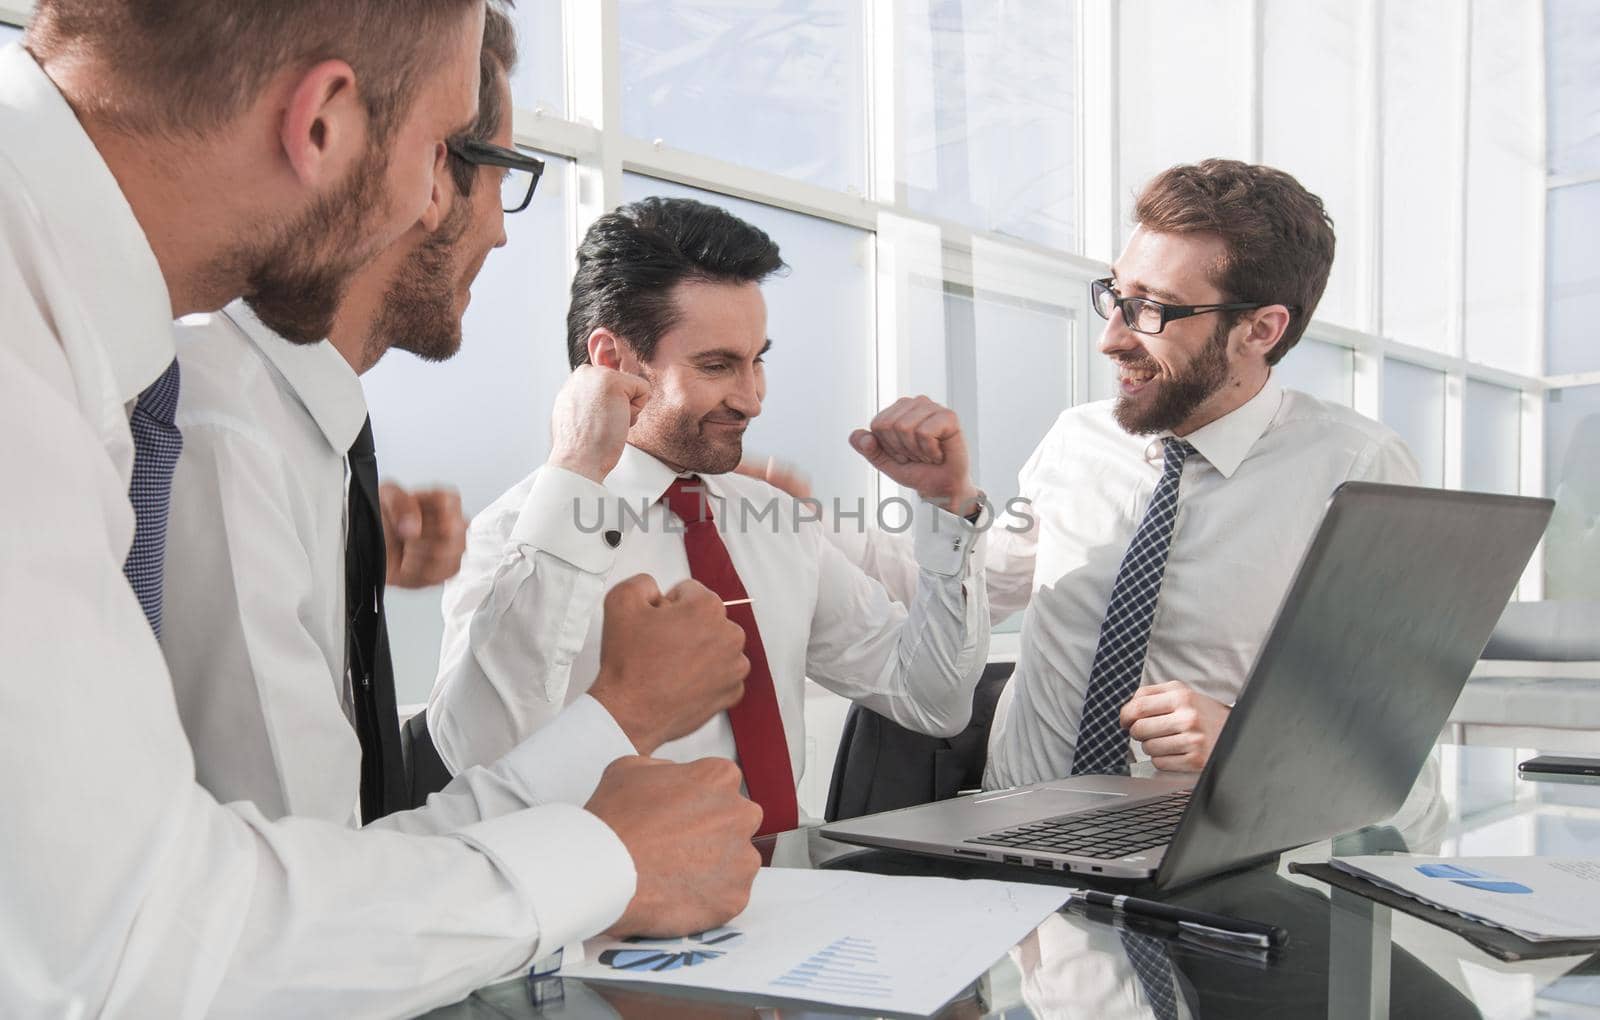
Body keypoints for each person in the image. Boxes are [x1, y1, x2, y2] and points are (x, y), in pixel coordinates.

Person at [0, 4, 757, 1015]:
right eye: (440, 151)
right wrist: (601, 852)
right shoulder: (99, 388)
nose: (456, 209)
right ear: (322, 125)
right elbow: (148, 937)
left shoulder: (85, 348)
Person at [757, 159, 1422, 791]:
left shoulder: (1358, 470)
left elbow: (1393, 718)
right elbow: (981, 585)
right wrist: (884, 513)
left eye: (1154, 309)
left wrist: (1245, 742)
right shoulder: (1080, 437)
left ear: (1260, 330)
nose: (1111, 338)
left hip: (1198, 858)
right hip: (1015, 833)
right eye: (1117, 294)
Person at [429, 196, 993, 836]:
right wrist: (576, 480)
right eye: (718, 365)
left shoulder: (776, 522)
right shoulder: (516, 534)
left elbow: (932, 700)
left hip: (798, 886)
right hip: (622, 910)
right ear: (611, 360)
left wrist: (947, 511)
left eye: (758, 360)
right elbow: (475, 758)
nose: (752, 399)